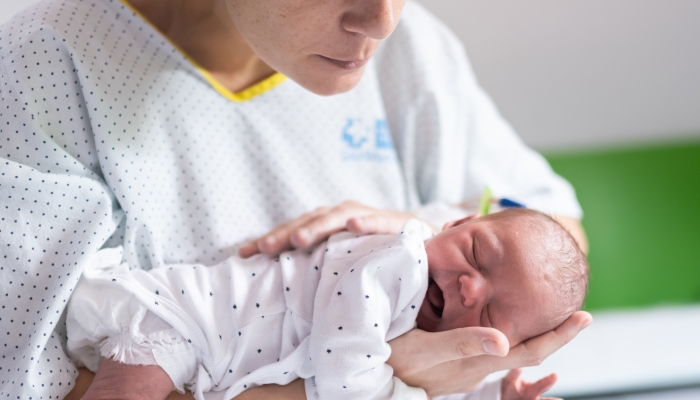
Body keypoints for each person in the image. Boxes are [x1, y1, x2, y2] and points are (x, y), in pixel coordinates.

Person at [0, 0, 592, 399]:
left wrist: (424, 225)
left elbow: (557, 232)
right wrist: (388, 380)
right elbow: (28, 376)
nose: (381, 21)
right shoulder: (44, 67)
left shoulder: (410, 52)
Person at [65, 209, 588, 400]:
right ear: (450, 226)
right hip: (185, 319)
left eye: (492, 315)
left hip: (211, 366)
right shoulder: (396, 259)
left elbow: (441, 389)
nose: (472, 287)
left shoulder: (439, 345)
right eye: (475, 252)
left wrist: (494, 393)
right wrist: (400, 389)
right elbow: (344, 366)